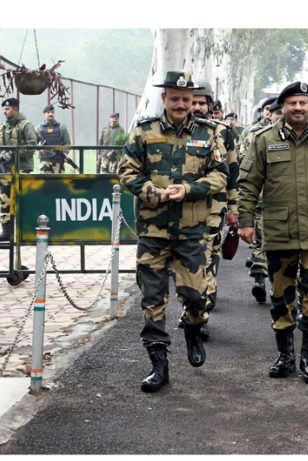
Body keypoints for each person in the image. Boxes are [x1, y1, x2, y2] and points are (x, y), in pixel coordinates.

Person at [118, 70, 228, 393]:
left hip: (192, 231)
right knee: (152, 299)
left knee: (196, 296)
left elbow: (221, 175)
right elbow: (125, 172)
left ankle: (194, 329)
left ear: (193, 101)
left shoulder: (208, 135)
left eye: (187, 99)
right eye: (175, 98)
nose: (181, 104)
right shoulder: (144, 132)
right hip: (154, 231)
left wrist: (190, 189)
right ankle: (158, 364)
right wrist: (153, 191)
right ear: (164, 98)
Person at [238, 81, 308, 385]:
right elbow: (248, 184)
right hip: (279, 229)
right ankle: (285, 355)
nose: (298, 108)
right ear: (283, 107)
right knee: (281, 295)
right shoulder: (264, 140)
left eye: (303, 103)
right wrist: (245, 221)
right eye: (292, 104)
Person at [183, 80, 239, 341]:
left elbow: (233, 172)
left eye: (201, 103)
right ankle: (195, 308)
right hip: (181, 208)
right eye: (193, 102)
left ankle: (200, 316)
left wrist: (234, 207)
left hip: (213, 208)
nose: (196, 107)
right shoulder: (177, 130)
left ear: (210, 106)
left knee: (203, 259)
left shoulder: (224, 133)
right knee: (188, 264)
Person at [238, 95, 278, 304]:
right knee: (259, 241)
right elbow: (243, 161)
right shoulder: (253, 133)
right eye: (270, 110)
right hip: (259, 198)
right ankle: (260, 279)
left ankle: (271, 282)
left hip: (280, 201)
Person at [0, 97, 39, 243]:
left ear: (16, 109)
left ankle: (26, 231)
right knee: (5, 201)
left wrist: (12, 153)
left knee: (22, 200)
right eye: (4, 109)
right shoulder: (4, 127)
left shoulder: (25, 125)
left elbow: (32, 145)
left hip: (21, 169)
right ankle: (7, 232)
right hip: (5, 170)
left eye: (7, 109)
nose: (4, 111)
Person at [36, 104, 72, 173]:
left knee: (60, 183)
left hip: (59, 162)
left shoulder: (62, 127)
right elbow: (33, 143)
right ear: (44, 114)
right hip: (45, 163)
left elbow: (68, 144)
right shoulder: (39, 128)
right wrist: (40, 149)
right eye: (48, 112)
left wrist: (64, 153)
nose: (50, 114)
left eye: (52, 112)